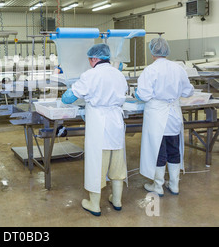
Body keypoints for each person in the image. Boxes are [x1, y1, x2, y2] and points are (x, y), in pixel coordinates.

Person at [61, 43, 128, 216]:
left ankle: (94, 204)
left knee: (96, 163)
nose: (89, 62)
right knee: (117, 163)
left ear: (95, 59)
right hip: (116, 123)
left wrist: (68, 91)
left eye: (90, 59)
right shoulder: (119, 75)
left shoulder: (90, 75)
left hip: (99, 124)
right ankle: (117, 200)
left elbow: (69, 98)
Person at [136, 37, 194, 196]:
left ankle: (158, 185)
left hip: (156, 115)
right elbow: (188, 91)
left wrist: (137, 93)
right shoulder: (178, 68)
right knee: (173, 148)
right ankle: (174, 185)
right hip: (174, 114)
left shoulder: (150, 70)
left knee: (157, 149)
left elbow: (143, 95)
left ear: (152, 52)